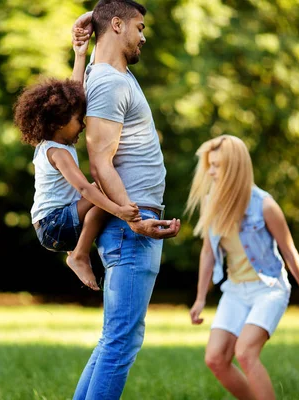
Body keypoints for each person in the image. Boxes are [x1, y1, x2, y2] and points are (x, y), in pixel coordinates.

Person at [70, 1, 181, 399]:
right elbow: (100, 163)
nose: (143, 35)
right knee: (121, 344)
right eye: (139, 26)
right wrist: (133, 219)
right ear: (118, 25)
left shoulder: (113, 75)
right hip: (130, 226)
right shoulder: (110, 83)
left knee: (113, 341)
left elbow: (84, 78)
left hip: (131, 222)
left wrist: (84, 36)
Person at [185, 134, 299, 400]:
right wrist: (200, 298)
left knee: (246, 352)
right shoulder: (210, 202)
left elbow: (289, 251)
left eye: (218, 165)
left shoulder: (265, 205)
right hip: (236, 290)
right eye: (210, 164)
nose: (211, 171)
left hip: (268, 288)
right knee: (215, 358)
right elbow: (208, 253)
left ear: (235, 167)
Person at [13, 26, 142, 291]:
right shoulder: (58, 153)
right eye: (77, 121)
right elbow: (83, 188)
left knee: (103, 193)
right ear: (59, 124)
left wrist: (80, 55)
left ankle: (80, 253)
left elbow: (75, 91)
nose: (83, 125)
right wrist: (119, 210)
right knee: (102, 191)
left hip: (51, 223)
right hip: (53, 225)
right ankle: (80, 255)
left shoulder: (52, 141)